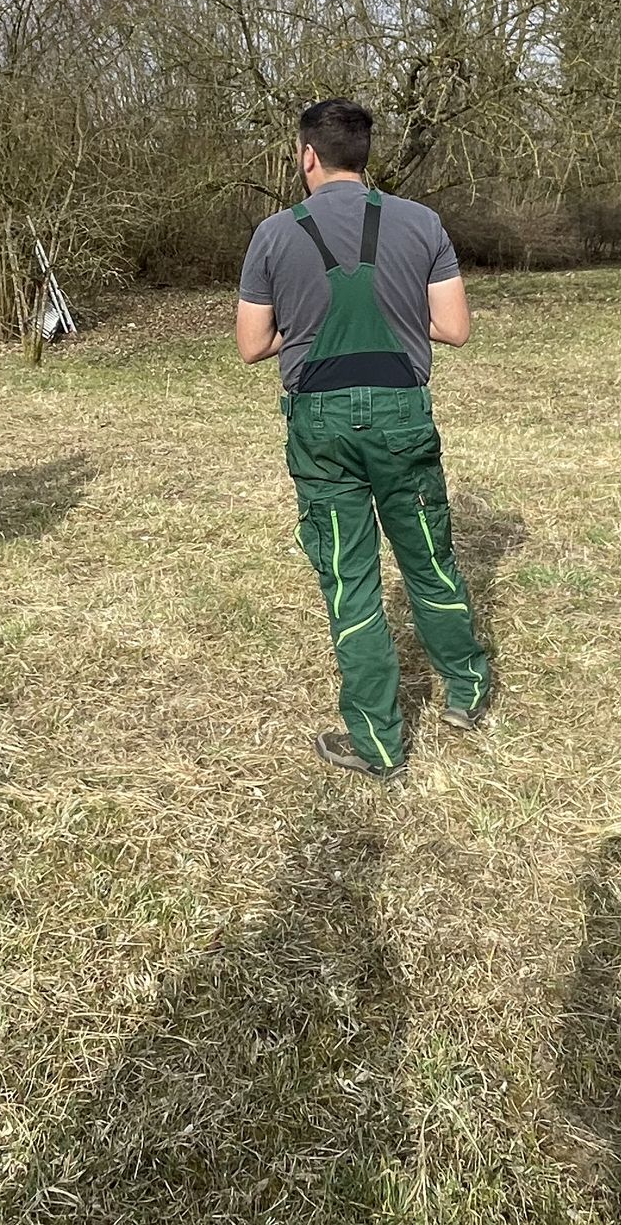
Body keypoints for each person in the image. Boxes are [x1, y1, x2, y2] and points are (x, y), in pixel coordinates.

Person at [235, 99, 494, 782]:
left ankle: (378, 744)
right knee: (428, 556)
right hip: (402, 416)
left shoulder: (272, 234)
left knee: (350, 578)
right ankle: (466, 692)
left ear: (307, 155)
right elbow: (455, 328)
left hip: (320, 425)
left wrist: (308, 330)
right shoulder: (422, 223)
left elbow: (251, 345)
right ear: (364, 156)